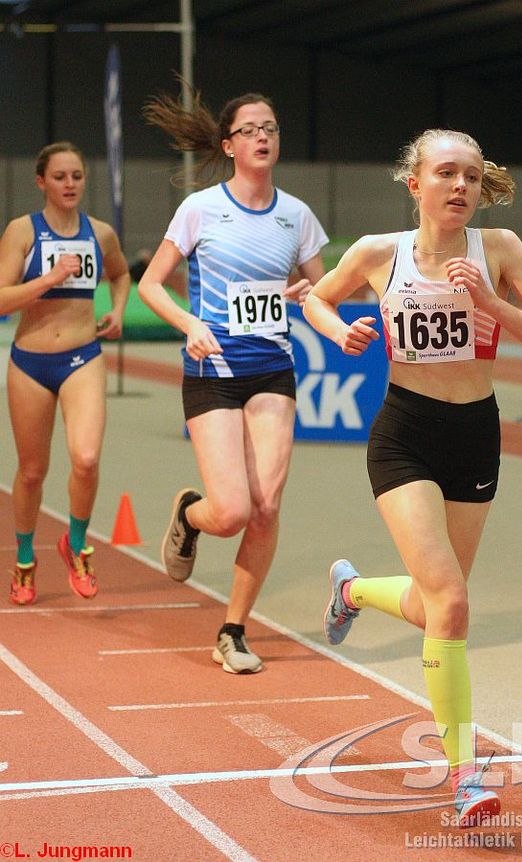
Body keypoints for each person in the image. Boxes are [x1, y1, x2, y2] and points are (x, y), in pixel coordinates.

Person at [303, 129, 522, 826]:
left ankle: (352, 589)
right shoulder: (377, 253)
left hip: (474, 436)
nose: (460, 186)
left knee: (435, 610)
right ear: (414, 183)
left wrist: (492, 303)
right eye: (447, 173)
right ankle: (463, 776)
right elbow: (315, 299)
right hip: (405, 435)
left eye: (472, 177)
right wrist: (338, 332)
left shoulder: (499, 249)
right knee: (451, 600)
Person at [138, 88, 328, 674]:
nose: (263, 136)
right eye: (250, 129)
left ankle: (233, 630)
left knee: (266, 507)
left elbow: (323, 291)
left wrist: (307, 293)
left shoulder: (297, 215)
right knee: (231, 512)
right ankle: (189, 514)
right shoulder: (200, 209)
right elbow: (150, 284)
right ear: (228, 146)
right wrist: (190, 323)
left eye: (270, 127)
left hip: (272, 369)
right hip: (213, 370)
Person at [0, 141, 130, 605]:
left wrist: (118, 309)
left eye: (77, 176)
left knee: (87, 458)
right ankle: (24, 560)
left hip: (83, 357)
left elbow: (121, 274)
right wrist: (48, 280)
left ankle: (75, 544)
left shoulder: (101, 233)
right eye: (60, 177)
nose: (70, 184)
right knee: (32, 472)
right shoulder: (22, 231)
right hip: (31, 363)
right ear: (41, 182)